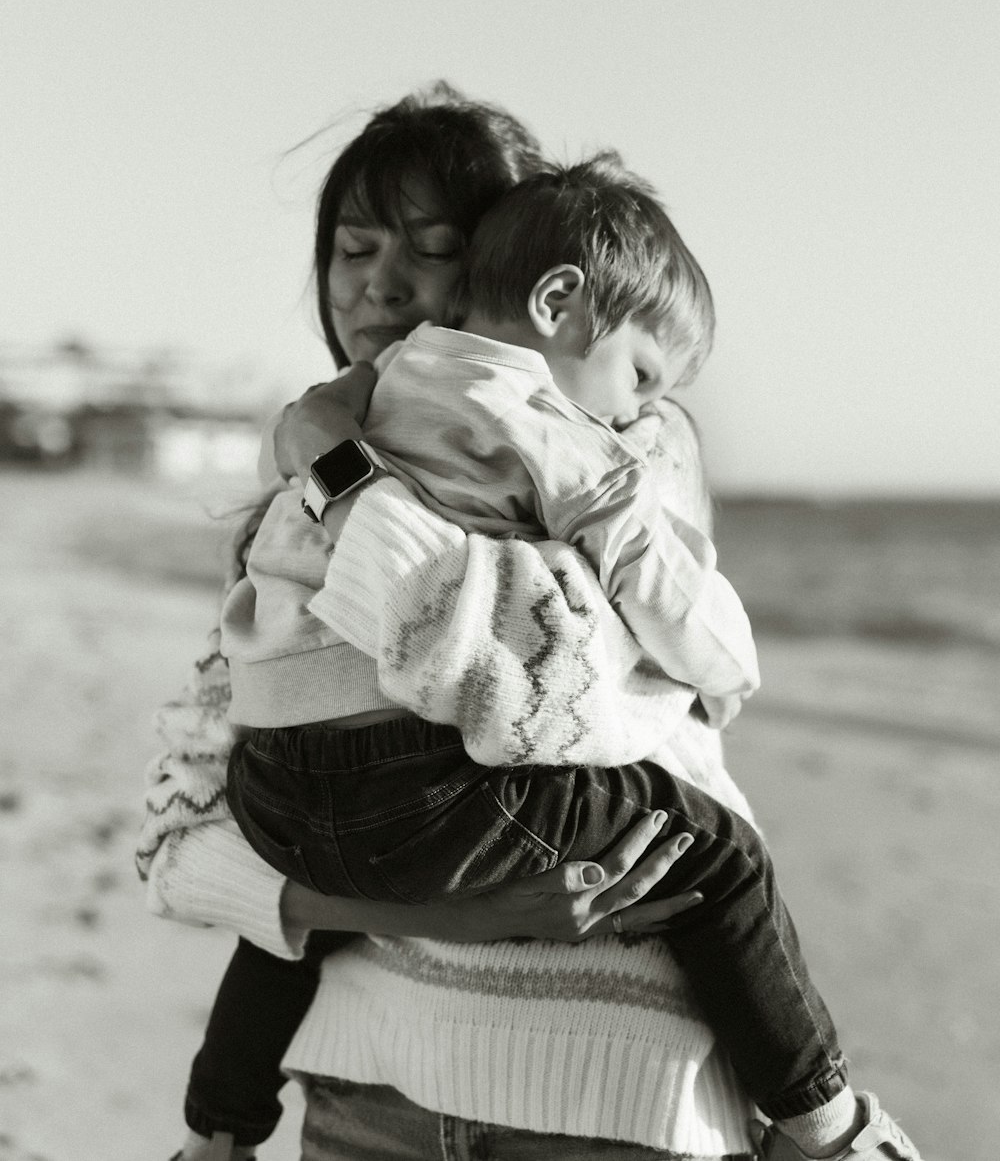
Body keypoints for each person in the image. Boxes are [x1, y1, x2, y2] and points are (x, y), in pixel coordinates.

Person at [135, 85, 909, 1161]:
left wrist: (345, 484)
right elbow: (179, 838)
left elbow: (559, 675)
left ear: (509, 270)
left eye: (432, 248)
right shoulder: (301, 487)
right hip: (371, 1094)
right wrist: (423, 908)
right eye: (350, 249)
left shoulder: (624, 442)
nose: (378, 283)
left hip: (611, 1089)